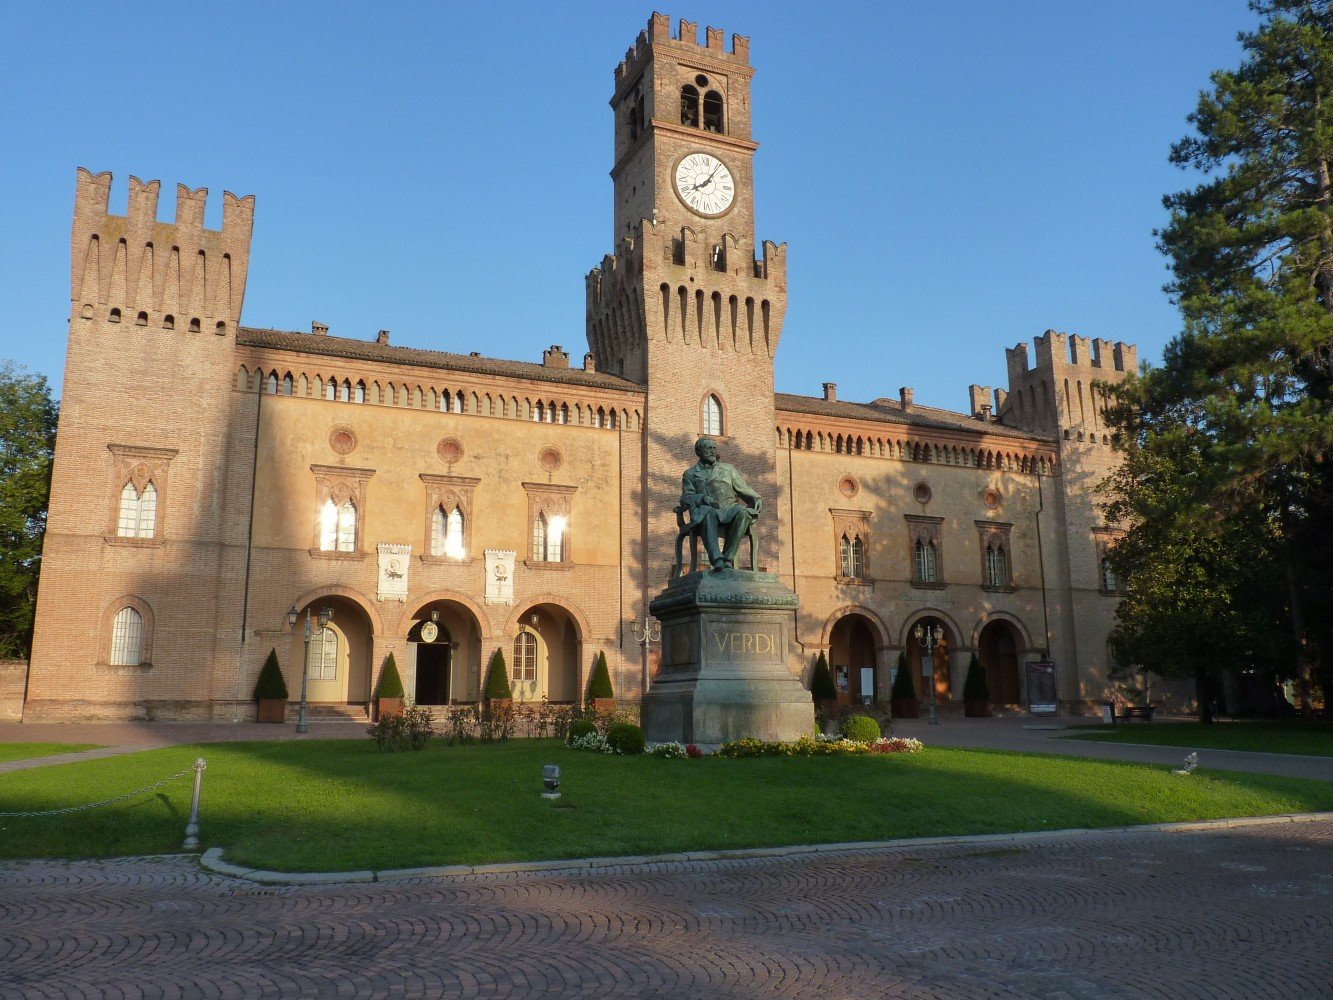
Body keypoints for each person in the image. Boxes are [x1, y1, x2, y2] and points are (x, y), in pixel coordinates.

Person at [681, 437, 763, 571]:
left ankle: (727, 558)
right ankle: (716, 559)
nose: (713, 451)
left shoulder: (728, 469)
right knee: (708, 513)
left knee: (743, 513)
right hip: (707, 509)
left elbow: (743, 488)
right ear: (698, 452)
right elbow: (685, 498)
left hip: (728, 508)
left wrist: (756, 499)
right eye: (709, 448)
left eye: (714, 448)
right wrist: (702, 498)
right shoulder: (690, 474)